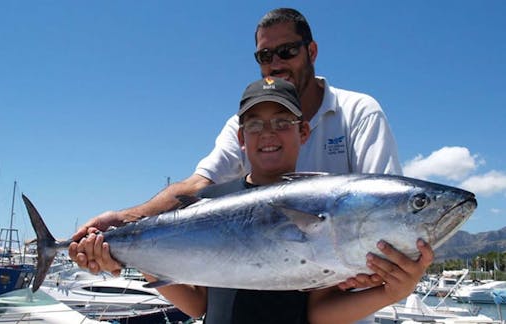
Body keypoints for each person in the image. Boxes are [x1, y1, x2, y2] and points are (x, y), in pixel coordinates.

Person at [69, 8, 421, 292]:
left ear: (311, 51)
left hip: (339, 298)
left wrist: (391, 282)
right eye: (265, 55)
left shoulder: (359, 112)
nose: (276, 62)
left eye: (287, 51)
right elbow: (197, 187)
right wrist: (125, 220)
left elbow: (385, 209)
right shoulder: (243, 124)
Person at [83, 76, 434, 324]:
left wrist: (392, 293)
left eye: (282, 122)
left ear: (303, 132)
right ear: (240, 137)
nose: (268, 133)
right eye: (255, 124)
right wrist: (133, 254)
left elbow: (319, 314)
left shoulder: (319, 204)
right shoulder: (211, 202)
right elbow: (197, 305)